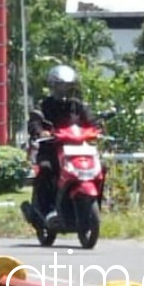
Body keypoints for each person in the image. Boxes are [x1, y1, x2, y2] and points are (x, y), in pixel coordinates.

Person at [26, 64, 96, 222]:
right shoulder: (45, 105)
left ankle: (96, 202)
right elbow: (35, 121)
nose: (63, 90)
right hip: (51, 149)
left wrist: (98, 130)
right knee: (46, 169)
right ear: (52, 86)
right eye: (60, 86)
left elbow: (92, 121)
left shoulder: (78, 106)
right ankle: (46, 209)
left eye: (67, 86)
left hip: (77, 150)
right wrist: (40, 131)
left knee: (101, 167)